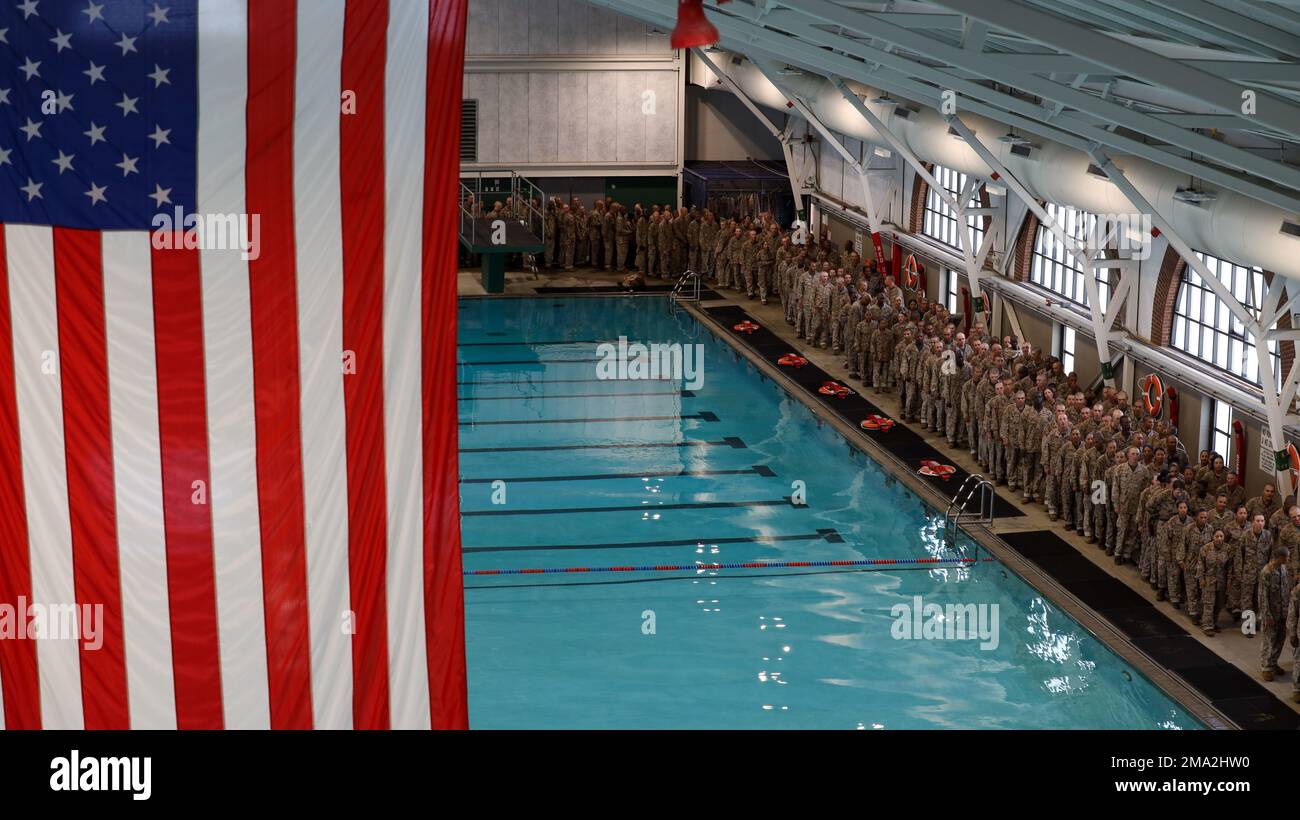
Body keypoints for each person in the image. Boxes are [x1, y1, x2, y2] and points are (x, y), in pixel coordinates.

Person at [1260, 544, 1290, 681]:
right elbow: (1262, 596)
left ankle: (1273, 662)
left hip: (1282, 612)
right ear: (1281, 557)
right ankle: (1266, 668)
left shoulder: (1283, 568)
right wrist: (1267, 615)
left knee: (1280, 639)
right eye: (1287, 557)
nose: (1288, 559)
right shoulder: (1267, 572)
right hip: (1271, 613)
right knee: (1269, 640)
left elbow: (1286, 589)